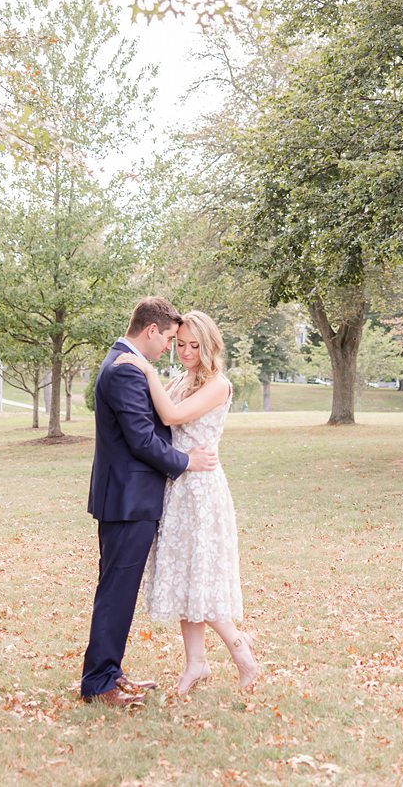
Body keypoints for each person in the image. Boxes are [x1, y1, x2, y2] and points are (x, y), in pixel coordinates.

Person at [81, 297, 219, 708]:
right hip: (127, 501)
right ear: (152, 331)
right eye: (170, 339)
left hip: (129, 499)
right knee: (115, 593)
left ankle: (110, 672)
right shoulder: (124, 370)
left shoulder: (124, 362)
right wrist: (187, 461)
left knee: (118, 593)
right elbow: (142, 439)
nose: (169, 349)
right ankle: (99, 684)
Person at [115, 309, 261, 694]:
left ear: (209, 345)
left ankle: (240, 648)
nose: (186, 352)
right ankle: (195, 664)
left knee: (203, 577)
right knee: (183, 578)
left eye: (195, 345)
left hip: (202, 490)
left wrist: (145, 369)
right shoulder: (181, 378)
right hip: (177, 485)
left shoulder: (218, 385)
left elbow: (172, 414)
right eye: (180, 344)